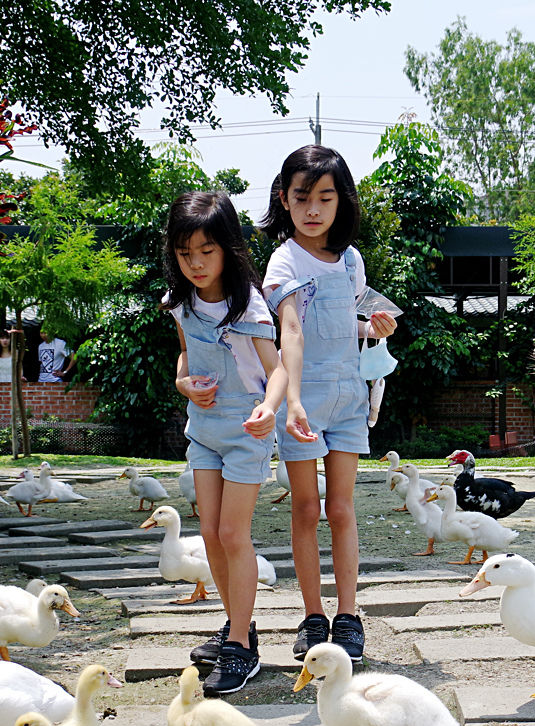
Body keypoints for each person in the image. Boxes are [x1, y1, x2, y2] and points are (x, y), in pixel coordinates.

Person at [260, 145, 397, 665]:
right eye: (302, 197)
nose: (313, 209)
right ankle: (313, 614)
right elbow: (290, 331)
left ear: (342, 201)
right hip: (302, 403)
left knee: (341, 509)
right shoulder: (283, 260)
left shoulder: (353, 260)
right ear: (285, 200)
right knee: (303, 507)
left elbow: (353, 322)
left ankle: (349, 616)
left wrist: (376, 326)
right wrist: (291, 400)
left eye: (325, 197)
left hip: (348, 399)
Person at [165, 191, 288, 696]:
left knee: (234, 535)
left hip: (245, 434)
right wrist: (183, 384)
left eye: (207, 251)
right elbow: (184, 360)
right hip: (204, 433)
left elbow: (278, 369)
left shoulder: (249, 306)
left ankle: (241, 647)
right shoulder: (179, 303)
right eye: (185, 253)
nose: (196, 263)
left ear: (229, 249)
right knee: (211, 535)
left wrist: (268, 408)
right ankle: (240, 625)